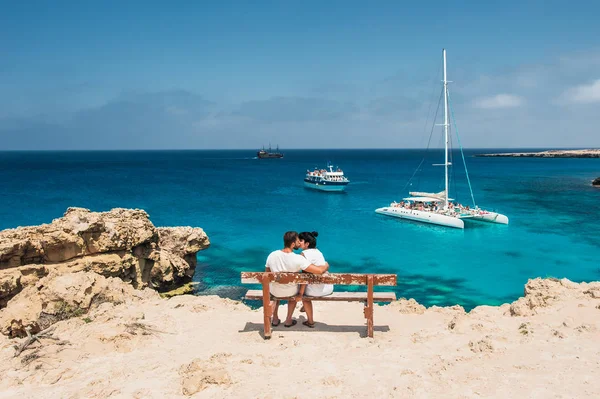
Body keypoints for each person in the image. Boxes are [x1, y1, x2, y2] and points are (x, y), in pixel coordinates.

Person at [266, 231, 329, 327]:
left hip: (275, 291)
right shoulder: (298, 259)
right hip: (291, 292)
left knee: (276, 290)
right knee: (293, 294)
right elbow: (319, 270)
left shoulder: (272, 255)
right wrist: (326, 265)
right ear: (292, 244)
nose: (299, 243)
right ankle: (288, 320)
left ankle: (275, 319)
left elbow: (267, 274)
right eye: (297, 241)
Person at [297, 231, 333, 328]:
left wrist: (300, 294)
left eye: (300, 240)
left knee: (304, 295)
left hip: (316, 291)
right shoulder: (318, 252)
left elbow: (305, 276)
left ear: (307, 244)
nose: (298, 242)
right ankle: (305, 307)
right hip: (328, 288)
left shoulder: (304, 254)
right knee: (309, 282)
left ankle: (310, 321)